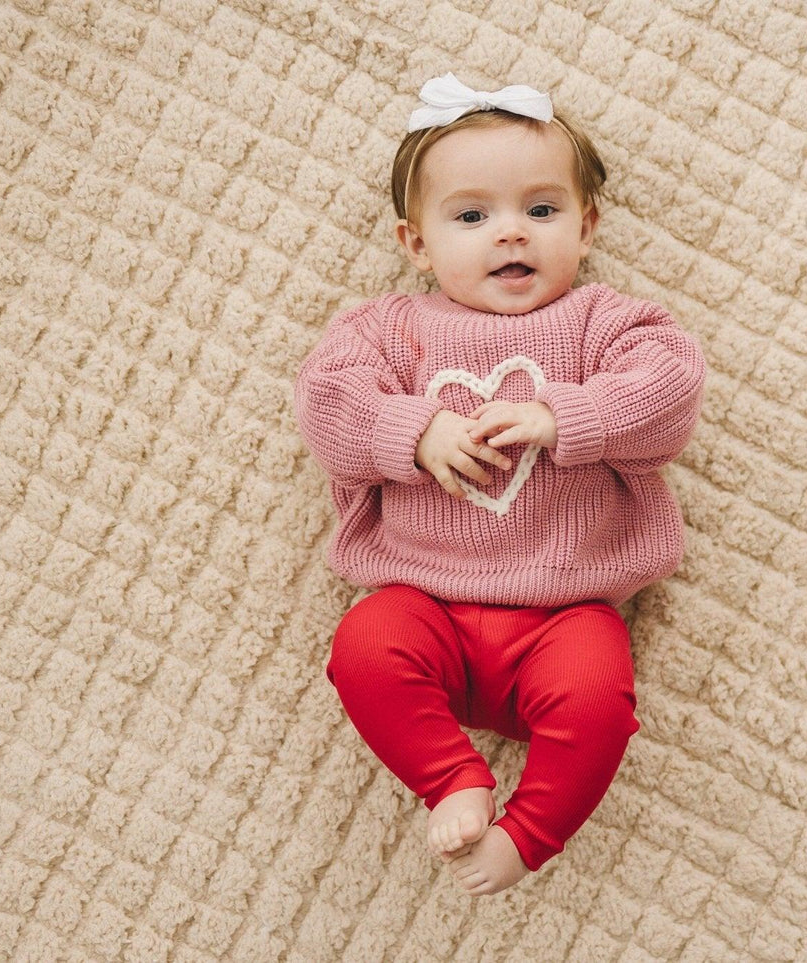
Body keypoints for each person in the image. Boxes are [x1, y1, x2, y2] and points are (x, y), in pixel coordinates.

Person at [292, 73, 706, 896]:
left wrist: (566, 415)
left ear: (586, 227)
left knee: (599, 698)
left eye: (541, 210)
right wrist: (413, 431)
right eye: (471, 217)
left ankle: (529, 832)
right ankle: (451, 776)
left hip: (565, 615)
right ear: (417, 244)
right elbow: (325, 405)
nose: (510, 233)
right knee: (363, 645)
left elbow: (669, 389)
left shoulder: (602, 322)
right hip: (425, 606)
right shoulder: (388, 328)